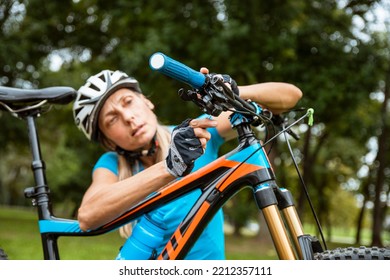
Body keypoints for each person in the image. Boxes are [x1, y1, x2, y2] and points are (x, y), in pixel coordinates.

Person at [72, 68, 302, 260]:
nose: (128, 117)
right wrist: (169, 167)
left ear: (147, 102)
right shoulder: (110, 163)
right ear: (107, 140)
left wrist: (232, 92)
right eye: (112, 119)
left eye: (128, 102)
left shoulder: (195, 134)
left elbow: (290, 96)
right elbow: (87, 216)